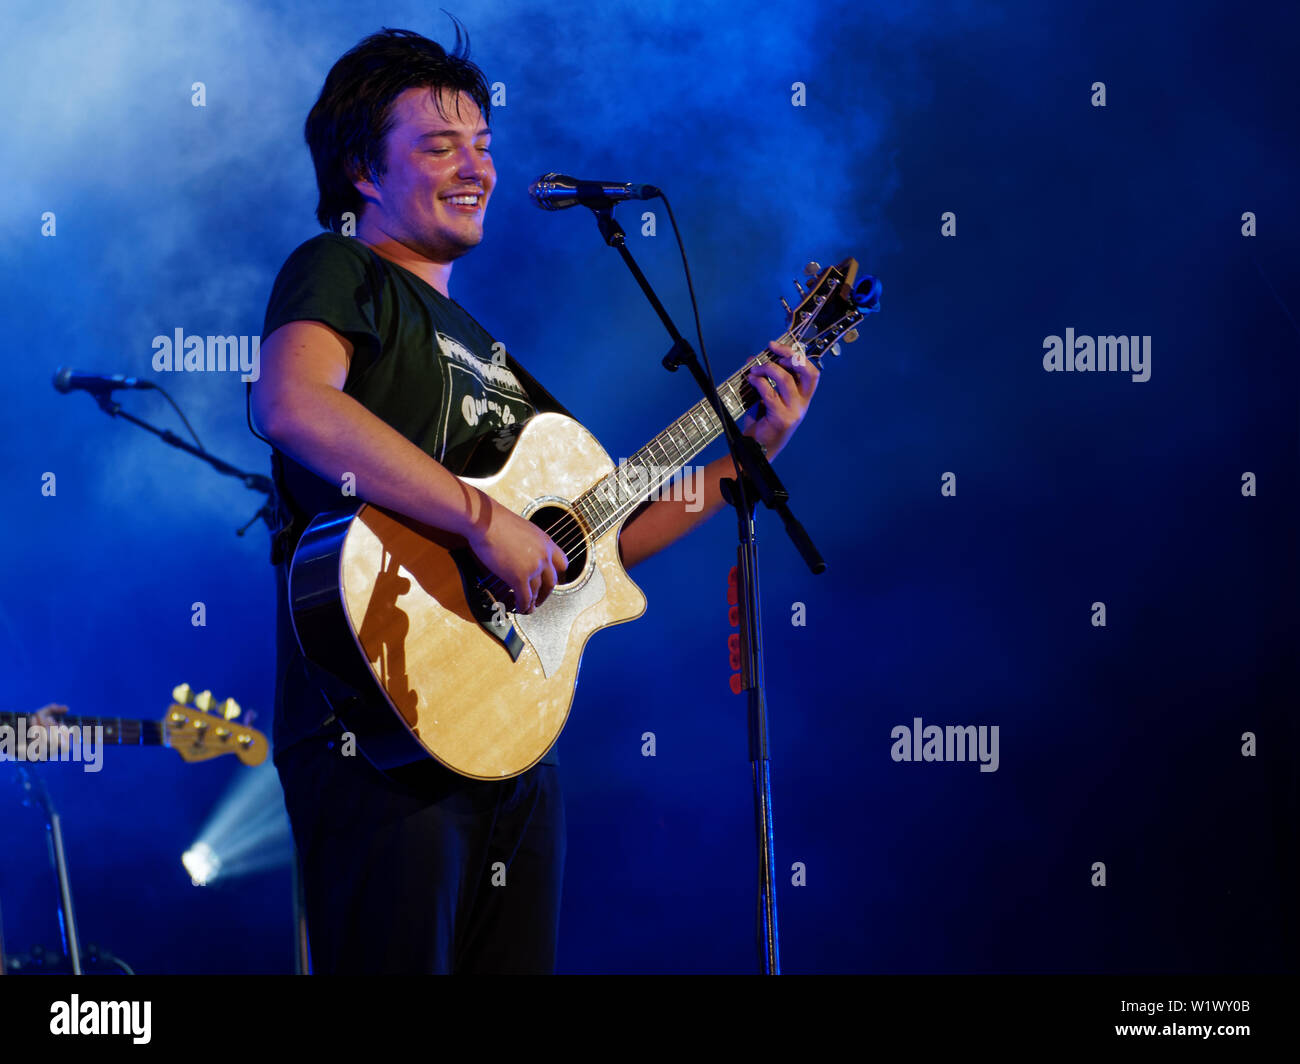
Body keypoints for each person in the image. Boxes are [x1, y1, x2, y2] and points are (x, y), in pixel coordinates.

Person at [249, 25, 820, 974]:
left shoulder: (497, 358)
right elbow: (292, 403)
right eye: (439, 146)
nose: (476, 166)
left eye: (483, 144)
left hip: (512, 729)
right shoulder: (341, 269)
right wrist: (483, 521)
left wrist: (748, 455)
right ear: (361, 171)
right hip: (378, 709)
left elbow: (602, 543)